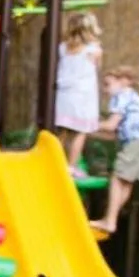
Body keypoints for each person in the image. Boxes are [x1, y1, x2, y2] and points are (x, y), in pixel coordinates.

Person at [89, 64, 139, 234]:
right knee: (126, 180)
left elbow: (110, 126)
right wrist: (89, 133)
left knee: (117, 178)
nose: (105, 90)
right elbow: (114, 135)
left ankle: (109, 221)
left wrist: (86, 124)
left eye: (107, 84)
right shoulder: (134, 100)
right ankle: (111, 218)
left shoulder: (121, 96)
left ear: (124, 81)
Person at [54, 9, 103, 177]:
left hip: (64, 93)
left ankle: (54, 161)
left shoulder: (62, 48)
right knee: (80, 132)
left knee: (62, 131)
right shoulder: (94, 50)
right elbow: (96, 67)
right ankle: (71, 166)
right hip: (82, 96)